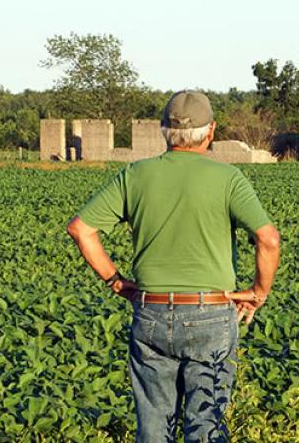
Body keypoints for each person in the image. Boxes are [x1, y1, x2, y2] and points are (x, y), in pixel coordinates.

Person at [66, 90, 281, 442]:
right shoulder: (228, 179)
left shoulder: (135, 175)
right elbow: (269, 239)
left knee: (153, 428)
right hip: (211, 314)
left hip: (151, 312)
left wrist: (116, 282)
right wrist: (258, 293)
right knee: (206, 427)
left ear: (164, 129)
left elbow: (80, 228)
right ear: (211, 131)